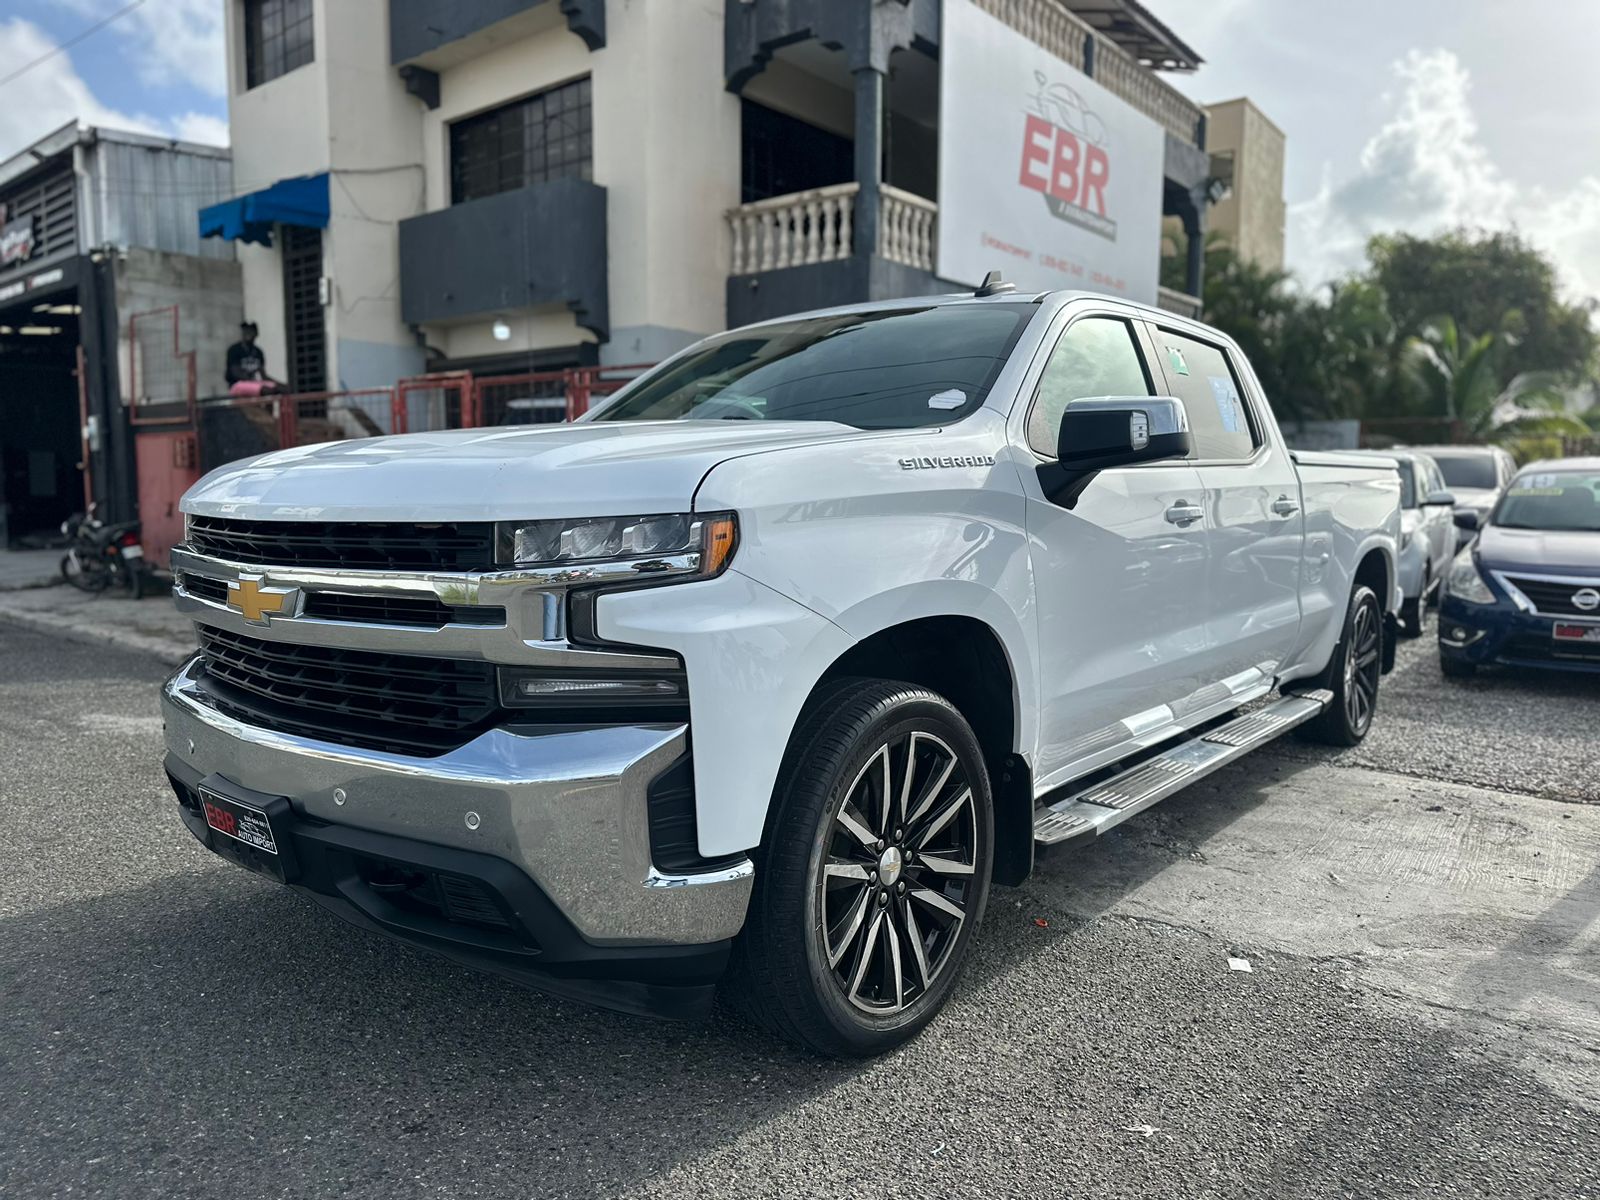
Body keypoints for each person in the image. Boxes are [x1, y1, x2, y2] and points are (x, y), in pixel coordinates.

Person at [225, 321, 285, 397]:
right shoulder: (234, 350)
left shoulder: (258, 352)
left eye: (251, 331)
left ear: (256, 333)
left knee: (283, 389)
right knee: (266, 390)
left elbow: (263, 376)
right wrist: (254, 381)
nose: (248, 333)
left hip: (254, 383)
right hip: (237, 384)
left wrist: (279, 384)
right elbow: (236, 373)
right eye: (245, 330)